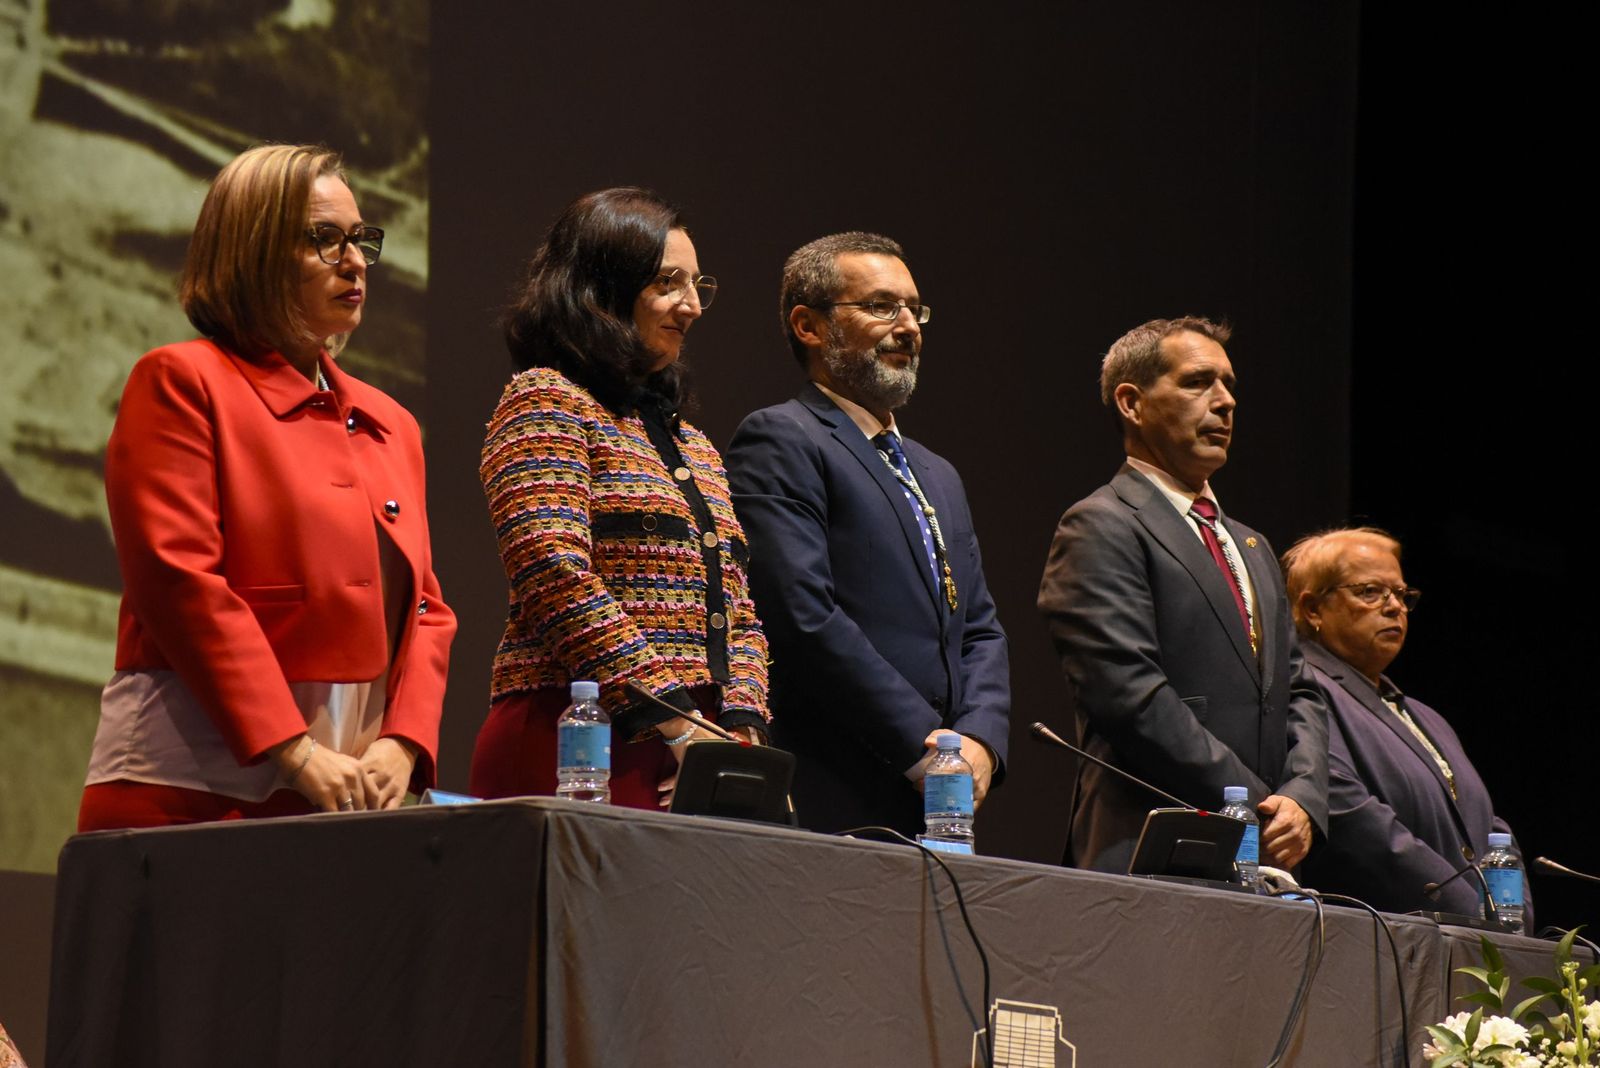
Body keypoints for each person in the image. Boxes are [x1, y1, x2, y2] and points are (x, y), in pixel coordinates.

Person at [79, 144, 455, 830]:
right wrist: (294, 751)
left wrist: (402, 743)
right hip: (190, 791)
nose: (355, 260)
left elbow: (427, 608)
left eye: (361, 239)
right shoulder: (182, 383)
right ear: (253, 250)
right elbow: (178, 581)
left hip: (349, 797)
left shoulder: (391, 423)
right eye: (324, 238)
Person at [469, 188, 769, 809]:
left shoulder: (693, 444)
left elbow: (739, 607)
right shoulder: (546, 399)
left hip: (698, 747)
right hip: (578, 737)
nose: (693, 306)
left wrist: (741, 724)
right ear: (601, 290)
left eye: (698, 285)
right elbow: (552, 572)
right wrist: (674, 718)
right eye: (667, 283)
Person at [726, 232, 1010, 837]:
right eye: (881, 306)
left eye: (914, 309)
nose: (908, 327)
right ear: (809, 325)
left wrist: (981, 741)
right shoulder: (783, 438)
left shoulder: (938, 472)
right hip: (838, 786)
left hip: (943, 798)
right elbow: (801, 615)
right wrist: (926, 749)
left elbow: (980, 627)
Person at [1037, 317, 1327, 873]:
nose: (1225, 402)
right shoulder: (1102, 524)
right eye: (1197, 382)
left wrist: (1303, 796)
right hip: (1150, 847)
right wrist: (1254, 804)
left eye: (1229, 385)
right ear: (1132, 403)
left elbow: (1300, 689)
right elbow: (1129, 697)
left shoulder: (1252, 544)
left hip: (1263, 852)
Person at [1283, 528, 1529, 918]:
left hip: (1471, 934)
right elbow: (1352, 819)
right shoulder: (1306, 691)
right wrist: (1474, 912)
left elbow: (1491, 826)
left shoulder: (1427, 717)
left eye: (1401, 594)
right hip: (1384, 932)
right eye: (1370, 592)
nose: (1394, 607)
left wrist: (1513, 911)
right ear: (1313, 608)